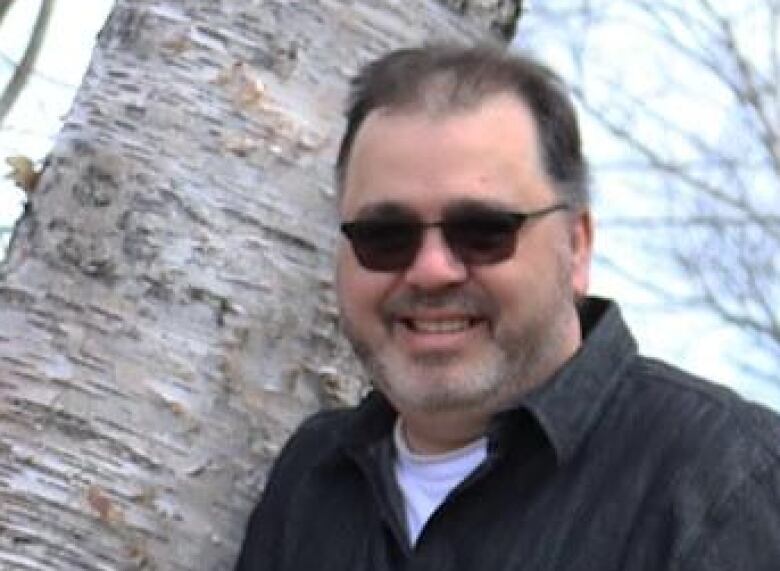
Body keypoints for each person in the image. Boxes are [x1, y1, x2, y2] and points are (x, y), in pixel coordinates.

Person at [235, 44, 780, 570]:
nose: (431, 269)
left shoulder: (727, 481)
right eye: (386, 235)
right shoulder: (312, 478)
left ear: (577, 245)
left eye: (482, 231)